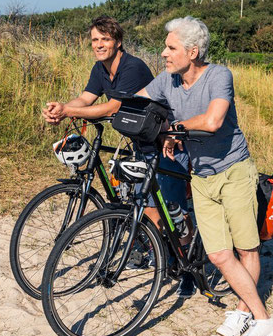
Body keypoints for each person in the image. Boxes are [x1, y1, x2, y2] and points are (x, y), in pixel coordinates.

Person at [137, 16, 273, 336]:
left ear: (193, 51)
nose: (163, 53)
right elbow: (133, 100)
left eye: (170, 48)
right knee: (218, 254)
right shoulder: (168, 81)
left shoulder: (219, 75)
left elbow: (214, 120)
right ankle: (256, 315)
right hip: (200, 177)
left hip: (233, 171)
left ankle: (256, 316)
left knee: (246, 248)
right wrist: (83, 110)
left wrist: (175, 129)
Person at [42, 15, 196, 296]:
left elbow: (113, 108)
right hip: (141, 143)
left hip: (166, 144)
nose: (99, 45)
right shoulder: (100, 68)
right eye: (94, 40)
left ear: (118, 42)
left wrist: (70, 111)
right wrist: (62, 108)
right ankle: (159, 250)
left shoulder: (132, 68)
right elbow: (87, 98)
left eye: (105, 39)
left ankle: (188, 266)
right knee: (147, 207)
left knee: (173, 211)